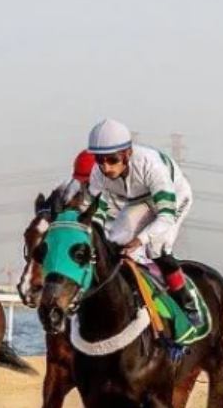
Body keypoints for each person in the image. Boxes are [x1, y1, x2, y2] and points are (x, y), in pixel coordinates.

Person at [82, 118, 202, 328]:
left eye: (112, 159)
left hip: (174, 197)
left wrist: (140, 239)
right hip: (139, 201)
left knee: (156, 249)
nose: (106, 167)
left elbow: (165, 216)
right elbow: (97, 213)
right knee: (113, 243)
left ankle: (187, 304)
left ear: (127, 153)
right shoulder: (97, 173)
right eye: (100, 160)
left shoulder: (151, 166)